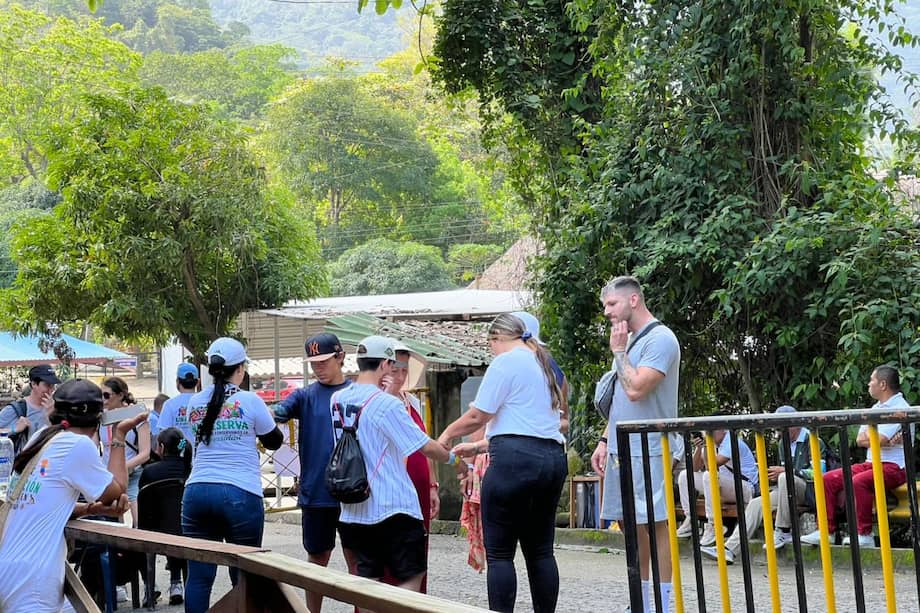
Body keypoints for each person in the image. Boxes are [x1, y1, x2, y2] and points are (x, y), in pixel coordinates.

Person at [439, 314, 567, 613]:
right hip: (552, 461)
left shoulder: (506, 362)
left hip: (513, 464)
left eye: (490, 343)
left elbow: (478, 415)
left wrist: (446, 435)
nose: (491, 350)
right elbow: (535, 424)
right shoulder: (547, 364)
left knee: (500, 554)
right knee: (541, 552)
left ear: (497, 338)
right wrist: (480, 445)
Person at [332, 336, 465, 610]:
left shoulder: (338, 399)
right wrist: (455, 460)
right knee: (412, 575)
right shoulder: (387, 404)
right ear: (384, 364)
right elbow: (425, 446)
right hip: (393, 508)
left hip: (354, 508)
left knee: (368, 580)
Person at [0, 379, 142, 612]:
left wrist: (87, 509)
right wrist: (119, 436)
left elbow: (41, 503)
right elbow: (117, 490)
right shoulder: (77, 445)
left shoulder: (42, 437)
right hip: (33, 581)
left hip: (11, 569)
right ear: (98, 419)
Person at [590, 275, 680, 613]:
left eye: (611, 304)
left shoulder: (661, 339)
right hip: (620, 446)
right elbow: (619, 401)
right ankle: (642, 602)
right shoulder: (628, 340)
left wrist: (618, 352)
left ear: (632, 301)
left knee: (655, 522)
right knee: (630, 524)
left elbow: (636, 388)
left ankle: (664, 603)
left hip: (651, 445)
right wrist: (604, 439)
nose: (607, 312)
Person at [181, 337, 283, 613]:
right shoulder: (249, 400)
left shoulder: (193, 403)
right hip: (239, 493)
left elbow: (197, 442)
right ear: (241, 369)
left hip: (197, 491)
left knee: (199, 577)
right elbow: (274, 440)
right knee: (245, 575)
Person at [272, 332, 355, 613]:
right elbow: (278, 412)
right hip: (316, 492)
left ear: (341, 357)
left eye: (324, 361)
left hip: (354, 493)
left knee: (357, 561)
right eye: (314, 363)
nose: (319, 367)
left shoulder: (357, 393)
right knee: (317, 560)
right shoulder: (304, 397)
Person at [802, 365, 910, 548]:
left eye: (872, 381)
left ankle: (864, 534)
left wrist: (879, 439)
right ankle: (825, 531)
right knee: (827, 479)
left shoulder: (901, 407)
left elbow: (879, 439)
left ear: (882, 384)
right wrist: (880, 439)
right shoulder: (876, 408)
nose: (869, 384)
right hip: (871, 463)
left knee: (859, 481)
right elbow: (861, 440)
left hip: (894, 467)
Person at [701, 405, 825, 564]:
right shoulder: (783, 443)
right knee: (756, 504)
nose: (778, 432)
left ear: (794, 425)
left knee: (784, 477)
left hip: (808, 490)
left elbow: (819, 473)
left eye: (781, 428)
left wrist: (789, 471)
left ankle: (783, 530)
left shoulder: (813, 440)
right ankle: (730, 549)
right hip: (786, 490)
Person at [379, 341, 439, 592]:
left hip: (419, 485)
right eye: (395, 369)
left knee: (417, 549)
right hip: (391, 488)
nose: (400, 376)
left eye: (405, 370)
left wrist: (433, 485)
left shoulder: (412, 402)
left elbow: (423, 444)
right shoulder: (375, 402)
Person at [139, 427, 192, 605]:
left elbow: (143, 503)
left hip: (155, 530)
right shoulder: (189, 470)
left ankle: (149, 587)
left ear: (161, 447)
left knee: (152, 528)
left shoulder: (150, 472)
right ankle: (177, 583)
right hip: (185, 530)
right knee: (174, 526)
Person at [0, 364, 60, 453]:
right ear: (34, 384)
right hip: (22, 463)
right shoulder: (17, 409)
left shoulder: (56, 408)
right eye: (47, 385)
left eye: (53, 386)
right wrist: (14, 429)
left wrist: (52, 417)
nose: (51, 390)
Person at [158, 363, 200, 445]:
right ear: (198, 382)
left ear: (177, 381)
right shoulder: (206, 402)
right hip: (201, 453)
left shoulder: (169, 404)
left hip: (179, 453)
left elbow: (163, 435)